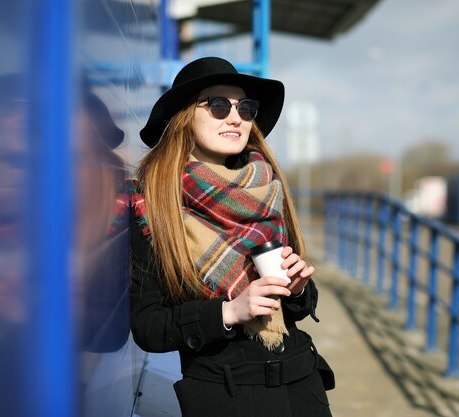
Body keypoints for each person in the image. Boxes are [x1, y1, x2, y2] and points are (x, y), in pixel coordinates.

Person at [129, 57, 334, 417]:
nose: (235, 117)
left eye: (246, 107)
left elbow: (294, 310)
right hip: (227, 398)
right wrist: (229, 311)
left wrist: (299, 289)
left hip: (304, 387)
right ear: (183, 117)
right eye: (218, 105)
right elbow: (148, 326)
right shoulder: (154, 206)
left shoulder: (267, 188)